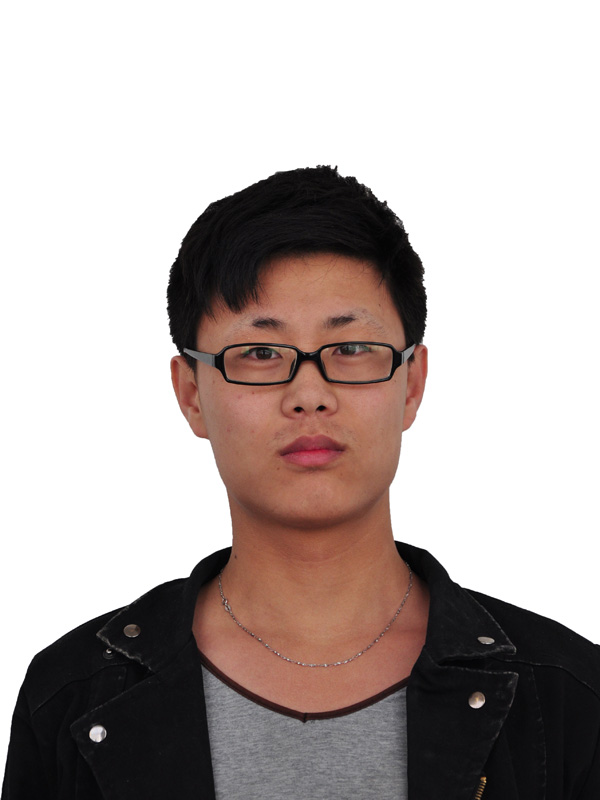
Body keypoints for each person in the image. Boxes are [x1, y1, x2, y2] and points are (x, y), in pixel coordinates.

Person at [2, 166, 599, 800]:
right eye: (261, 354)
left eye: (350, 349)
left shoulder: (563, 693)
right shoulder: (73, 695)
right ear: (191, 394)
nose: (309, 394)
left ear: (412, 384)